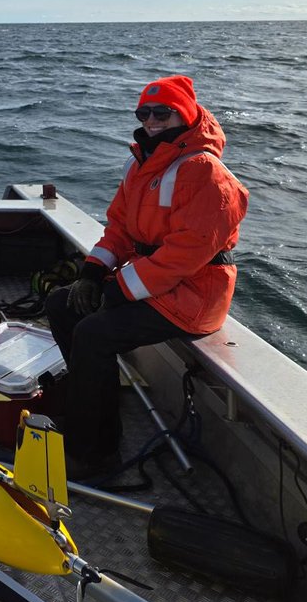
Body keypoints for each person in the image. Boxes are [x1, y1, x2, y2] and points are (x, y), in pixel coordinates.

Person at [45, 75, 249, 482]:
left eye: (162, 112)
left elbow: (185, 256)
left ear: (185, 115)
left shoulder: (206, 173)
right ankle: (92, 406)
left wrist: (117, 290)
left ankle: (95, 454)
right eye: (144, 113)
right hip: (154, 283)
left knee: (94, 334)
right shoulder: (142, 163)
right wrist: (92, 273)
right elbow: (120, 228)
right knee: (60, 304)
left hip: (194, 295)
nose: (151, 120)